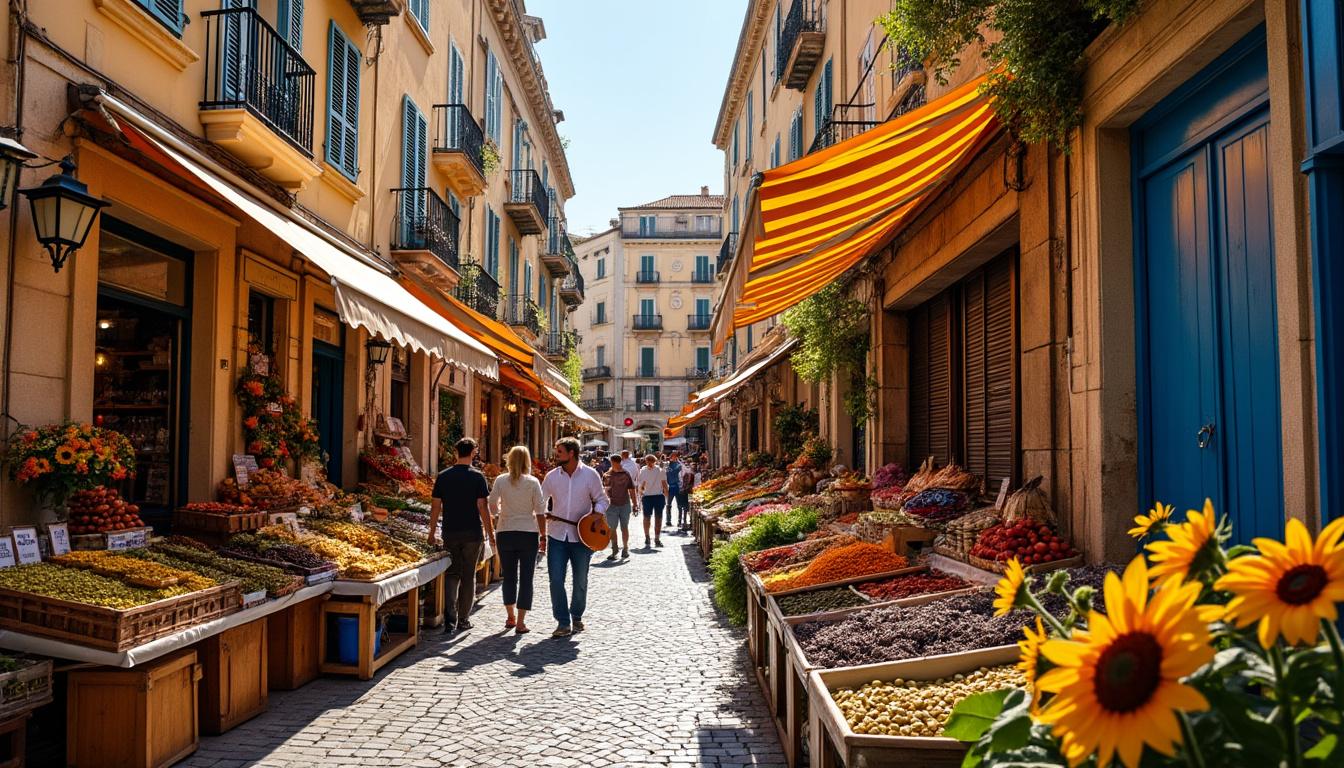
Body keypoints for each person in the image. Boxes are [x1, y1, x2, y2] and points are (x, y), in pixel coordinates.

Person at [541, 436, 609, 638]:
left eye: (559, 452)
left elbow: (602, 500)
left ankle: (576, 615)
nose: (556, 455)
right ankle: (562, 621)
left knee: (580, 579)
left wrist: (596, 515)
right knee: (555, 580)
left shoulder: (590, 475)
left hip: (582, 537)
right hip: (557, 534)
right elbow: (541, 500)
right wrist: (542, 512)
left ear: (571, 453)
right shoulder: (552, 476)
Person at [429, 437, 495, 634]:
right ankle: (464, 620)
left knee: (452, 574)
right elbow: (483, 507)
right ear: (473, 452)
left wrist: (432, 532)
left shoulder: (443, 476)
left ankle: (450, 620)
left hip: (450, 532)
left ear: (455, 452)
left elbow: (435, 507)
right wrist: (491, 534)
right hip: (472, 533)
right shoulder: (477, 477)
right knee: (468, 576)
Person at [488, 445, 546, 635]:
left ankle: (510, 616)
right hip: (528, 533)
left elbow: (491, 503)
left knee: (509, 576)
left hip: (505, 532)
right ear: (527, 461)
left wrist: (498, 515)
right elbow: (540, 511)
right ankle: (521, 622)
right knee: (526, 578)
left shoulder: (501, 480)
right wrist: (543, 535)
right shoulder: (532, 482)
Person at [603, 456, 638, 560]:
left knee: (624, 527)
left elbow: (632, 490)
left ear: (617, 462)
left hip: (624, 504)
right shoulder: (607, 475)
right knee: (612, 528)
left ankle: (625, 548)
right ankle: (615, 549)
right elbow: (604, 491)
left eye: (613, 463)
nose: (613, 464)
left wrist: (635, 504)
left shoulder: (625, 474)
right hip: (611, 505)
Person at [636, 453, 668, 548]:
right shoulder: (643, 471)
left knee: (657, 518)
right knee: (647, 518)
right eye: (648, 462)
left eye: (651, 462)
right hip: (648, 496)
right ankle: (648, 537)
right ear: (646, 461)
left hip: (657, 496)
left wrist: (666, 496)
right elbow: (641, 485)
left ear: (655, 461)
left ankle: (656, 538)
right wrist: (641, 493)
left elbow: (664, 484)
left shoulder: (660, 471)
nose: (650, 464)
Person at [664, 451, 684, 530]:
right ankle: (668, 520)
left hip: (677, 486)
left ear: (676, 457)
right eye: (671, 456)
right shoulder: (667, 466)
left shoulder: (679, 465)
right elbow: (664, 474)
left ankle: (679, 521)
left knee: (679, 505)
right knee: (668, 504)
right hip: (670, 487)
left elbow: (681, 471)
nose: (672, 457)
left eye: (674, 456)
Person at [679, 460, 696, 531]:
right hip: (687, 493)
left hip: (690, 493)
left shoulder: (692, 475)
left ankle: (690, 522)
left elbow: (691, 484)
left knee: (690, 507)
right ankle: (685, 522)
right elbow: (684, 484)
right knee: (686, 507)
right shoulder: (686, 475)